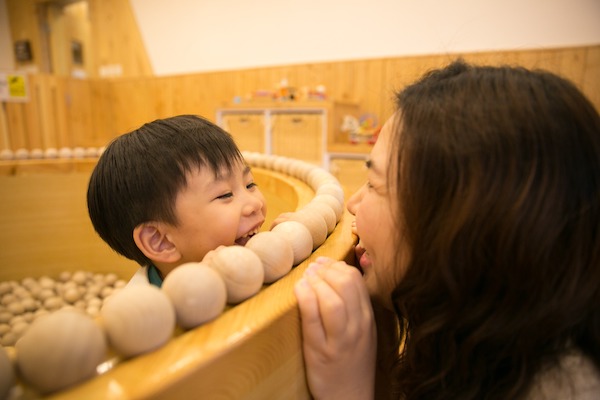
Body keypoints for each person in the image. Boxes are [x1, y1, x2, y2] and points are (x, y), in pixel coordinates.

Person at [294, 61, 600, 399]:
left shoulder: (562, 388)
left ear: (465, 227)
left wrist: (349, 392)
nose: (353, 203)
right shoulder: (470, 350)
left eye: (374, 184)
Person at [87, 114, 267, 287]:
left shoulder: (260, 257)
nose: (255, 204)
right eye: (225, 195)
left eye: (250, 184)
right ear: (161, 240)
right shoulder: (150, 313)